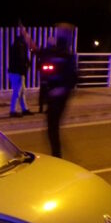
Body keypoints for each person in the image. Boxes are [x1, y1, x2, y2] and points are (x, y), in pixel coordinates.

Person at [23, 23, 77, 157]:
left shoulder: (66, 54)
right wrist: (26, 36)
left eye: (61, 32)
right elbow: (36, 50)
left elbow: (73, 78)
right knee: (51, 128)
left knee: (52, 128)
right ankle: (57, 155)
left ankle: (57, 157)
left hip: (60, 96)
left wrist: (60, 90)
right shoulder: (54, 50)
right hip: (52, 94)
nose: (58, 33)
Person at [8, 31, 31, 118]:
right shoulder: (20, 46)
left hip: (15, 72)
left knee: (21, 91)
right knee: (18, 92)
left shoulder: (16, 44)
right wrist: (25, 68)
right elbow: (22, 59)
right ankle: (13, 111)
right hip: (18, 72)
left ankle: (24, 109)